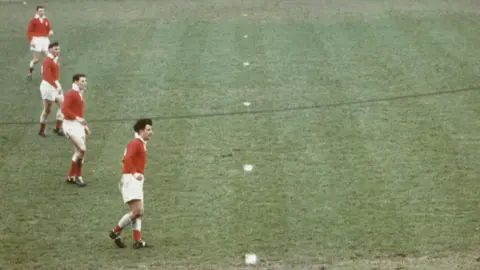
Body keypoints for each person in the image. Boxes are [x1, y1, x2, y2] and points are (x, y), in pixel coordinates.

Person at [109, 119, 154, 249]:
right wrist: (134, 173)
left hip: (135, 180)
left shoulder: (140, 143)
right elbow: (126, 159)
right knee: (136, 211)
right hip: (131, 180)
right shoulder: (135, 143)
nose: (151, 132)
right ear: (140, 131)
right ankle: (115, 231)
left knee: (140, 212)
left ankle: (137, 240)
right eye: (148, 130)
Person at [62, 73, 90, 186]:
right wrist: (77, 118)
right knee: (82, 149)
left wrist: (84, 125)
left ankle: (70, 176)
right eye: (82, 81)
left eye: (85, 81)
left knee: (78, 152)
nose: (85, 83)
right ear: (76, 82)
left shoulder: (79, 93)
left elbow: (79, 111)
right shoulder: (71, 94)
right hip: (70, 126)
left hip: (78, 125)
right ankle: (78, 176)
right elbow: (64, 109)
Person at [39, 41, 64, 137]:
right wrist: (56, 86)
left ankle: (57, 128)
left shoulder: (55, 59)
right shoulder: (47, 61)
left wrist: (57, 84)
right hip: (48, 87)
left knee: (63, 105)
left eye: (58, 49)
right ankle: (41, 130)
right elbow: (47, 76)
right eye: (55, 49)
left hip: (55, 84)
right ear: (50, 50)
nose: (57, 51)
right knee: (47, 110)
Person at [26, 5, 54, 79]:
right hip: (36, 40)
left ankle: (44, 73)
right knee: (36, 60)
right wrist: (31, 41)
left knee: (49, 56)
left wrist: (50, 31)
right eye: (40, 11)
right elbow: (29, 31)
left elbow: (49, 28)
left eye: (43, 11)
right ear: (37, 11)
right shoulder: (33, 20)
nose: (42, 12)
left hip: (45, 40)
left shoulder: (46, 19)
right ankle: (30, 72)